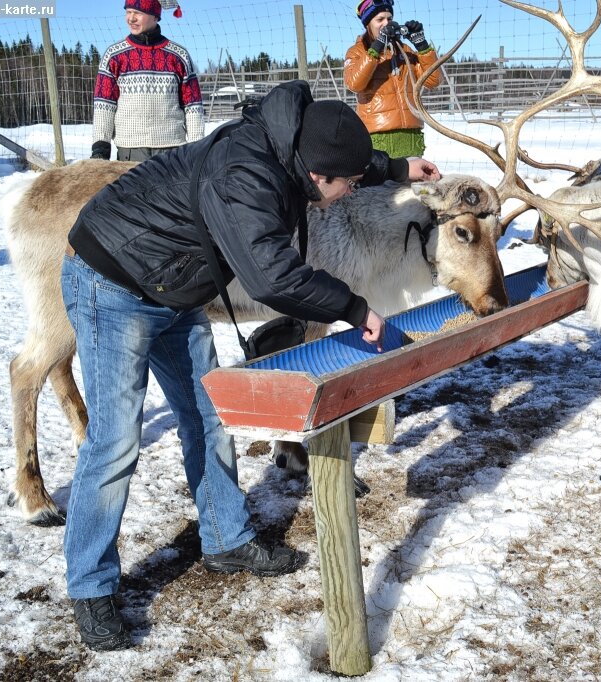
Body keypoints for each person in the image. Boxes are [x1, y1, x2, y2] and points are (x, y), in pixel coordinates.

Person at [63, 79, 441, 651]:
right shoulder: (247, 174)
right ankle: (90, 587)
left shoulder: (294, 147)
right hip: (112, 280)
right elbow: (271, 279)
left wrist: (396, 169)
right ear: (316, 175)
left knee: (208, 419)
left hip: (175, 283)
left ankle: (224, 538)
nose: (348, 194)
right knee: (115, 441)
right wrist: (352, 307)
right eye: (348, 185)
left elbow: (341, 160)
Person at [91, 0, 203, 162]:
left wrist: (197, 148)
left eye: (138, 13)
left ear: (155, 16)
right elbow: (104, 106)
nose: (131, 18)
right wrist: (100, 148)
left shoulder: (178, 56)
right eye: (128, 12)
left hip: (171, 151)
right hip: (129, 151)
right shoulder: (114, 56)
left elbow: (193, 106)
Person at [344, 0, 442, 157]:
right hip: (378, 137)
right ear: (368, 23)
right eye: (380, 19)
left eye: (389, 19)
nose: (386, 23)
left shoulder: (405, 51)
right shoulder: (357, 52)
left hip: (411, 135)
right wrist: (377, 47)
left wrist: (422, 46)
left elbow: (434, 81)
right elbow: (354, 84)